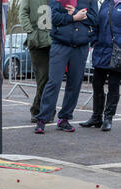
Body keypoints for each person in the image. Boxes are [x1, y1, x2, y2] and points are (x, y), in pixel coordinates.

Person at [34, 0, 98, 134]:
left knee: (74, 84)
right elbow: (54, 18)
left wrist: (74, 13)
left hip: (80, 47)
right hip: (60, 45)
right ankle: (42, 119)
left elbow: (94, 19)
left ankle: (64, 118)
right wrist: (74, 17)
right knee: (54, 82)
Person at [80, 0, 121, 131]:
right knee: (97, 84)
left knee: (113, 86)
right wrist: (94, 41)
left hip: (117, 52)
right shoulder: (105, 4)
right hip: (101, 51)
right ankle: (96, 117)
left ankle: (108, 118)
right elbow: (97, 24)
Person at [19, 0, 56, 124]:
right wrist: (30, 31)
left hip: (54, 41)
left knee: (53, 79)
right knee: (43, 78)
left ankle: (48, 110)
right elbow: (23, 13)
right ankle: (37, 110)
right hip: (37, 43)